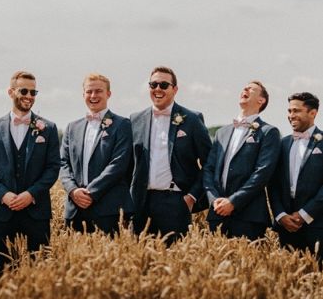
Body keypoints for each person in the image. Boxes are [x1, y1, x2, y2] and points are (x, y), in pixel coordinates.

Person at [0, 71, 60, 274]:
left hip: (36, 212)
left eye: (33, 92)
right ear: (11, 91)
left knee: (39, 272)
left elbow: (53, 168)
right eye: (24, 90)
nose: (29, 96)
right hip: (2, 213)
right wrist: (3, 195)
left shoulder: (48, 128)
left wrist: (30, 194)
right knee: (4, 272)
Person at [129, 66, 212, 242]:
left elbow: (210, 163)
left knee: (174, 262)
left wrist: (191, 197)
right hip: (141, 203)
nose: (158, 89)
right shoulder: (135, 120)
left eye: (164, 85)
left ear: (175, 89)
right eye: (153, 84)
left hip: (175, 202)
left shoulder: (192, 119)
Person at [203, 80, 281, 240]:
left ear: (261, 100)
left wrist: (233, 202)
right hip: (217, 214)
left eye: (251, 89)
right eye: (244, 87)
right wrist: (214, 199)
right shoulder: (222, 133)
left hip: (248, 215)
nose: (245, 88)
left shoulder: (268, 132)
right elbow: (208, 169)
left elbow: (262, 173)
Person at [59, 73, 133, 234]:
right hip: (75, 209)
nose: (93, 95)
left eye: (98, 91)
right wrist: (73, 191)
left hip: (109, 210)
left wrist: (91, 193)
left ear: (108, 94)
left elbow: (119, 164)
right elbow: (63, 163)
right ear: (83, 94)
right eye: (89, 91)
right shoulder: (72, 127)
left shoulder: (123, 125)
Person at [269, 92, 323, 261]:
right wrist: (280, 215)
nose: (291, 115)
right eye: (289, 111)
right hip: (285, 227)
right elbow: (273, 183)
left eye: (296, 111)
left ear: (313, 113)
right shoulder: (282, 143)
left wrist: (304, 214)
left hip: (318, 225)